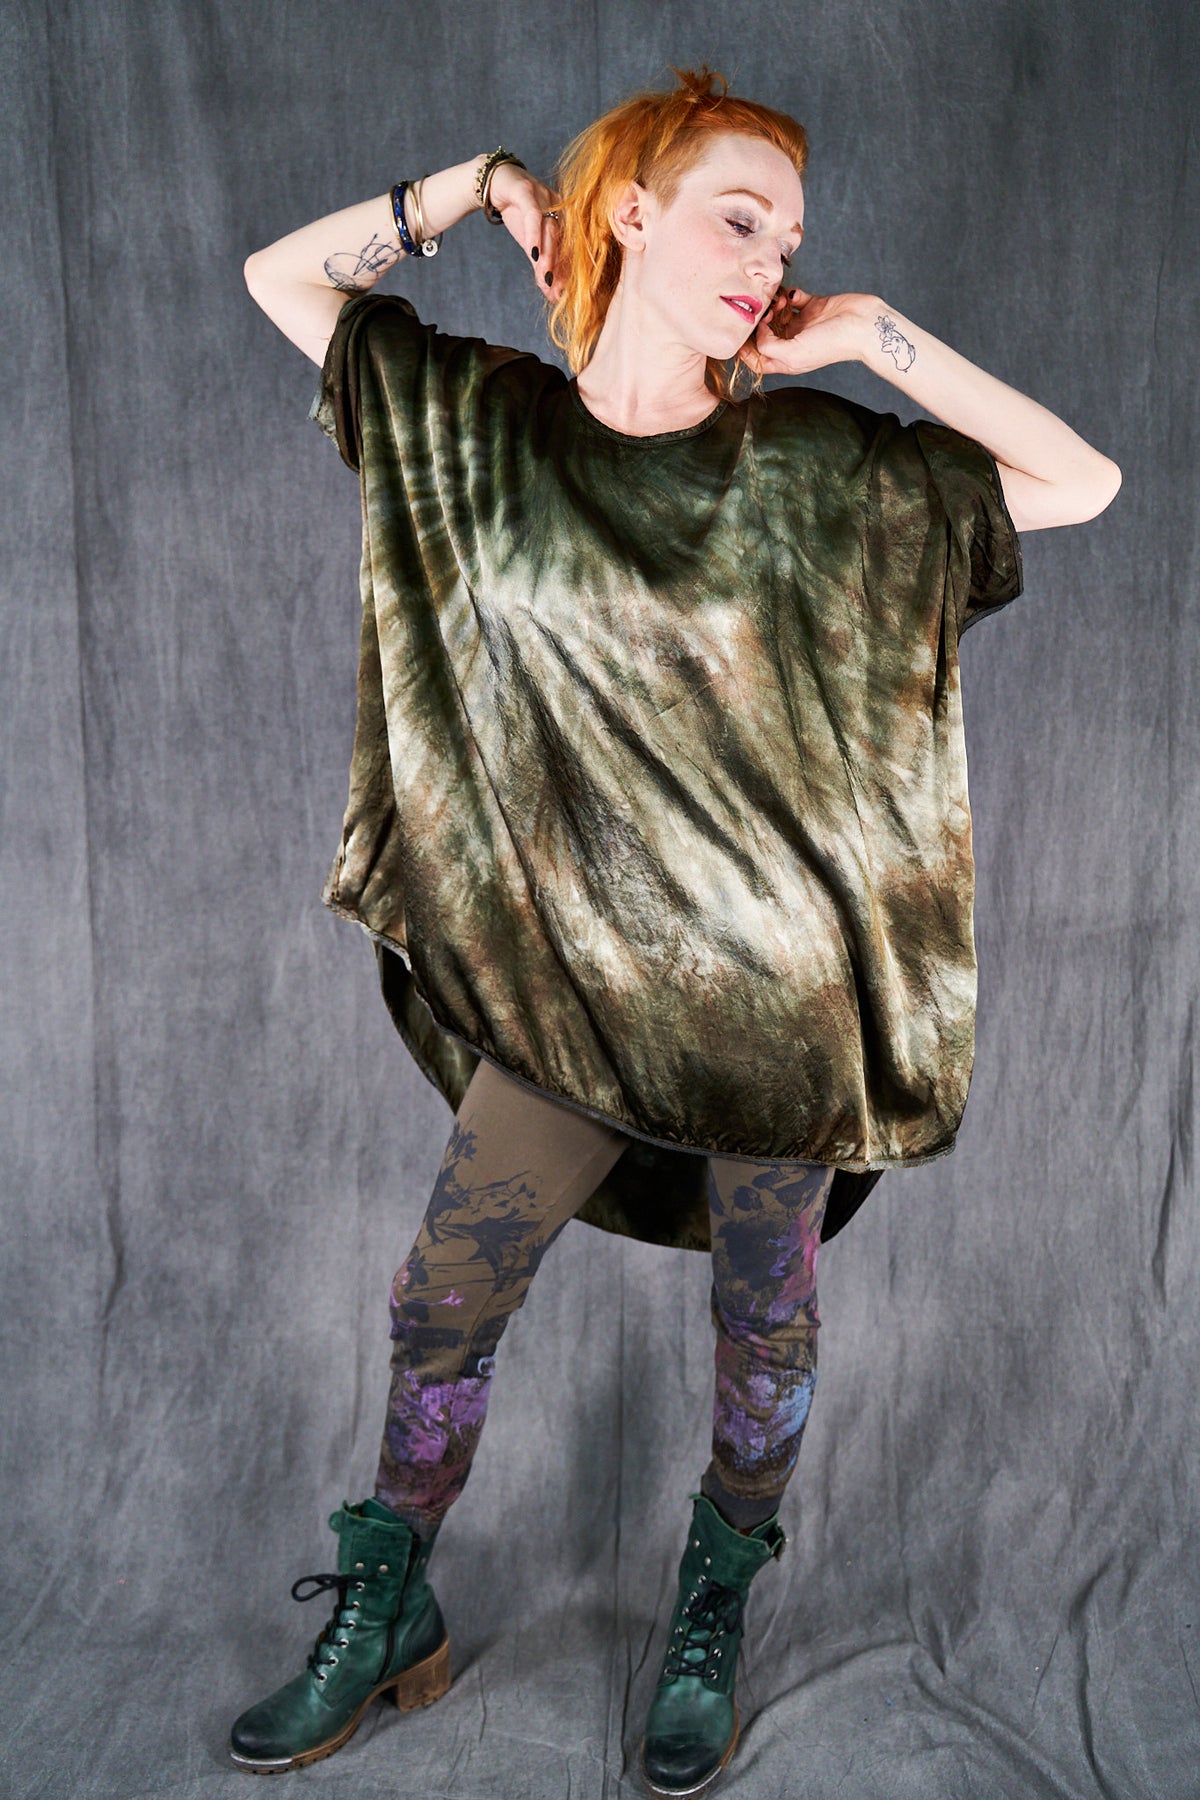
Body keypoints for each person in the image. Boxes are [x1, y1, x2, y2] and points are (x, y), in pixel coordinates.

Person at [234, 65, 1120, 1796]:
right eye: (739, 218)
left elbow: (1080, 481)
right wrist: (468, 186)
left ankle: (712, 1604)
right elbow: (283, 282)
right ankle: (393, 1600)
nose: (771, 258)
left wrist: (868, 334)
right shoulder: (483, 426)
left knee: (763, 1335)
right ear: (630, 214)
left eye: (791, 236)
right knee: (441, 1305)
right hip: (563, 989)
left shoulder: (816, 465)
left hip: (777, 1011)